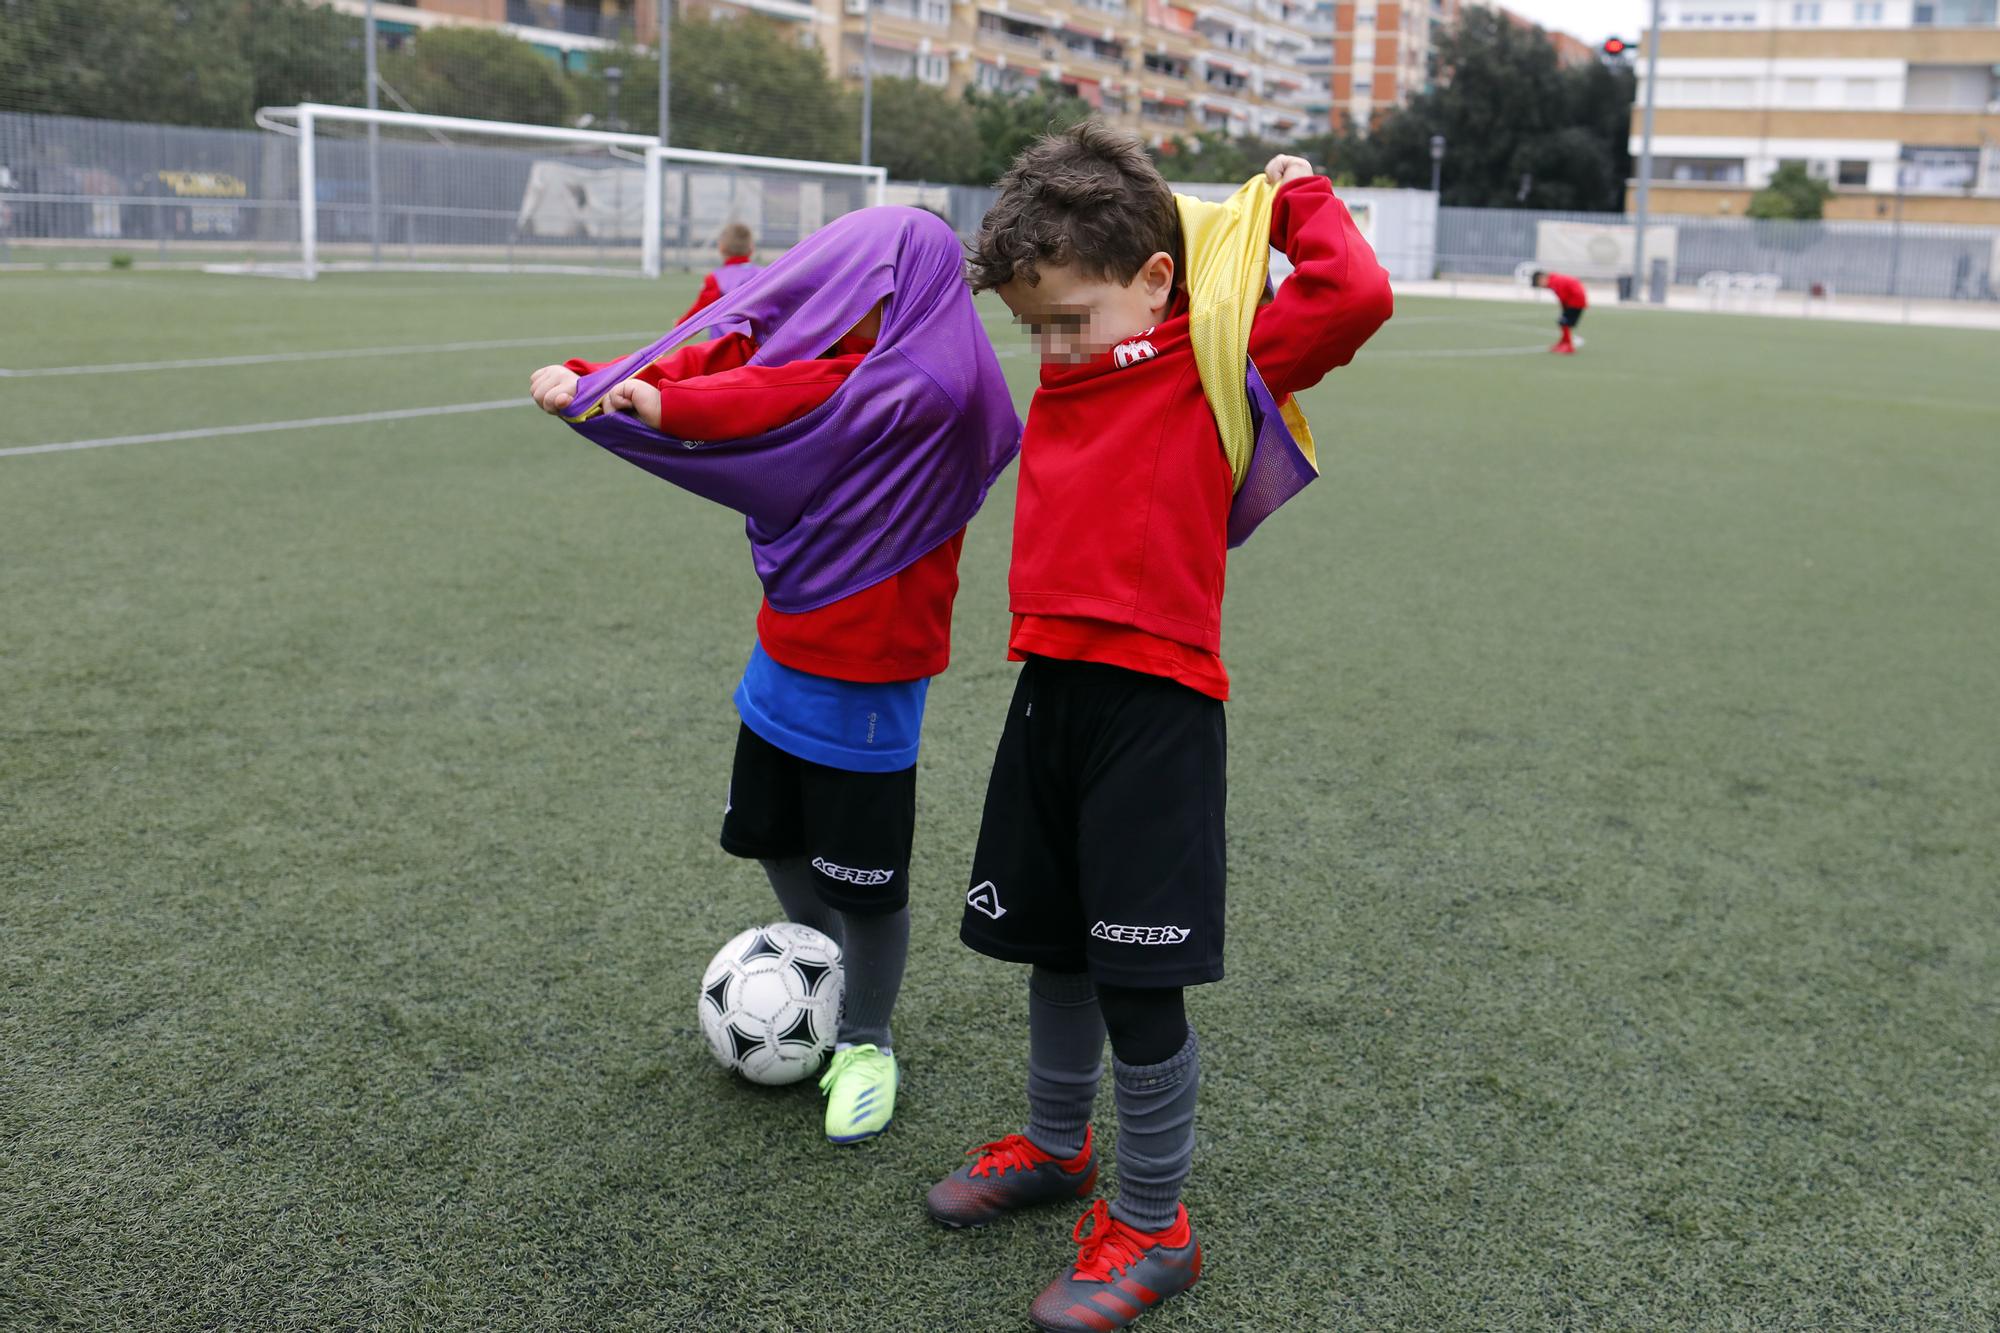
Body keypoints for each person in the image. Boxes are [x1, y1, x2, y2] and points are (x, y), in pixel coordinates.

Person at [925, 123, 1392, 1331]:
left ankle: (1152, 1224)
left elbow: (1355, 296)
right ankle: (1053, 1145)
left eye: (1070, 318)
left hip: (1156, 704)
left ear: (1153, 280)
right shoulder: (1079, 353)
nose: (1052, 349)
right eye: (1033, 327)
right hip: (1052, 688)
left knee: (1137, 979)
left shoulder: (1210, 355)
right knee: (1054, 946)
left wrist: (1298, 198)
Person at [527, 207, 1019, 1147]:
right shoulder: (863, 362)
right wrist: (620, 376)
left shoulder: (934, 385)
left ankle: (866, 1039)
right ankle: (825, 969)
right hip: (782, 654)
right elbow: (756, 350)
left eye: (855, 295)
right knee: (768, 835)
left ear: (902, 296)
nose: (833, 313)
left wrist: (649, 401)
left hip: (870, 683)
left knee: (868, 882)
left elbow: (789, 395)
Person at [679, 220, 762, 324]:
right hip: (757, 340)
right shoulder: (764, 274)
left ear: (721, 248)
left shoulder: (715, 279)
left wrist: (680, 325)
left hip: (726, 339)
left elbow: (699, 312)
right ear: (752, 249)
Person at [1531, 269, 1587, 355]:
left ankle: (1568, 346)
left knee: (1564, 322)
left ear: (1541, 278)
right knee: (1563, 322)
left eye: (1539, 284)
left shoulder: (1554, 282)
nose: (1541, 287)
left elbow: (1563, 297)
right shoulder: (1553, 280)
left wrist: (1564, 309)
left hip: (1576, 301)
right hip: (1574, 299)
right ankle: (1563, 343)